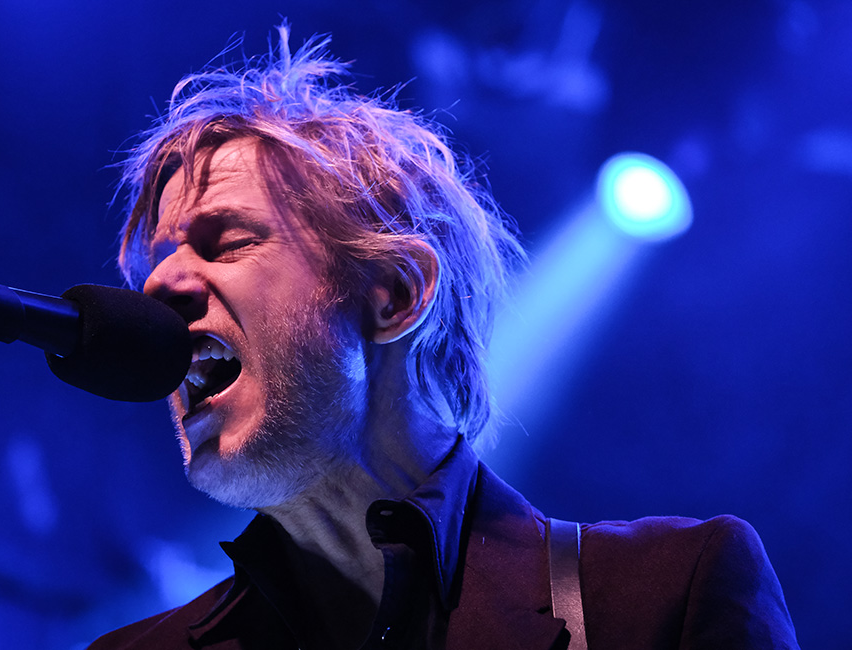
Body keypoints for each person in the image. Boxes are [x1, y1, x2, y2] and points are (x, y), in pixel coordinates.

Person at [88, 26, 798, 650]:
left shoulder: (664, 599)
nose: (160, 288)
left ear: (394, 296)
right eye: (156, 264)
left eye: (229, 242)